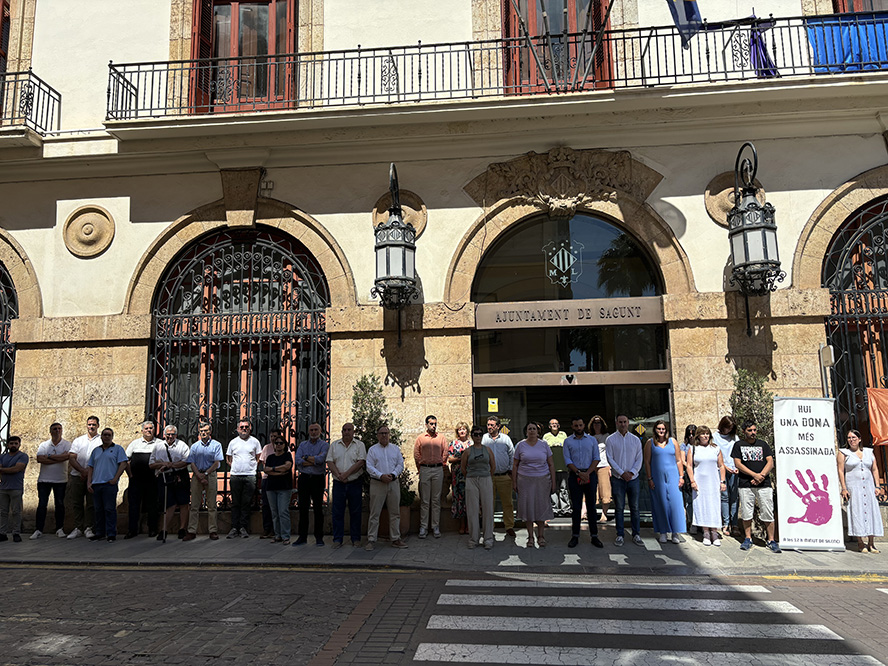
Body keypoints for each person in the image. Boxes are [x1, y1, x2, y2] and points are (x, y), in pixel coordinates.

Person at [732, 419, 780, 553]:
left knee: (767, 511)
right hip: (745, 484)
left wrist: (761, 476)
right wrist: (754, 475)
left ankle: (771, 540)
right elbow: (738, 464)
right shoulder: (738, 445)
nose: (753, 433)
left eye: (754, 430)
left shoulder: (763, 444)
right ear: (744, 432)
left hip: (764, 484)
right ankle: (748, 538)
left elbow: (770, 462)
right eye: (750, 430)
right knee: (746, 512)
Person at [838, 429, 885, 553]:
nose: (851, 440)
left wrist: (878, 486)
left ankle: (871, 543)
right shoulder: (844, 453)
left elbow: (874, 469)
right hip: (854, 487)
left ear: (859, 439)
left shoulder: (869, 452)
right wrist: (844, 488)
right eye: (849, 438)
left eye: (854, 437)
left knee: (871, 512)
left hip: (868, 487)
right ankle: (860, 542)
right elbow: (841, 471)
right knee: (856, 512)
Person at [512, 422, 555, 548]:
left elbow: (551, 464)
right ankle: (530, 537)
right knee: (528, 509)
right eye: (529, 429)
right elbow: (515, 465)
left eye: (534, 429)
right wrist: (514, 482)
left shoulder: (544, 445)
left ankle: (541, 536)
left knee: (541, 508)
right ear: (526, 432)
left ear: (538, 431)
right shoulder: (520, 445)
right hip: (525, 481)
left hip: (542, 480)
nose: (532, 431)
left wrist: (553, 482)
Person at [365, 423, 408, 550]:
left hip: (393, 483)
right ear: (378, 436)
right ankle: (371, 540)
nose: (384, 435)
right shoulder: (372, 450)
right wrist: (380, 476)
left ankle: (395, 538)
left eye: (386, 433)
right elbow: (369, 466)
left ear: (389, 435)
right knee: (375, 513)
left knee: (395, 512)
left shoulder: (395, 449)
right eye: (381, 433)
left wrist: (393, 475)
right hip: (377, 484)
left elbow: (400, 464)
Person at [644, 420, 685, 544]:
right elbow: (647, 462)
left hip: (673, 476)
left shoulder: (673, 442)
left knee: (675, 504)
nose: (661, 431)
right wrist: (650, 478)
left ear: (666, 430)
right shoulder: (650, 443)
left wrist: (681, 476)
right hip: (657, 477)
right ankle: (663, 531)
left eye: (663, 429)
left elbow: (678, 460)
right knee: (660, 504)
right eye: (659, 428)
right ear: (655, 430)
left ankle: (675, 532)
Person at [564, 417, 603, 548]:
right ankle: (575, 536)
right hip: (575, 475)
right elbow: (567, 460)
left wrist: (587, 473)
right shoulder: (568, 441)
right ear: (572, 426)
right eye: (576, 426)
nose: (579, 428)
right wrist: (579, 473)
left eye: (580, 425)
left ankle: (594, 536)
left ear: (584, 425)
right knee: (576, 508)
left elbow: (596, 458)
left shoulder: (592, 440)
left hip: (590, 474)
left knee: (591, 507)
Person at [607, 414, 643, 547]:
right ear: (616, 423)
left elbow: (639, 458)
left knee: (635, 507)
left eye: (625, 422)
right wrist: (622, 473)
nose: (623, 424)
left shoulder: (635, 440)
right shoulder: (610, 440)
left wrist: (632, 472)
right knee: (619, 508)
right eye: (620, 422)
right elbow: (610, 458)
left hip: (633, 478)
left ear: (628, 423)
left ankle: (636, 534)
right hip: (618, 479)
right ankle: (620, 535)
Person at [149, 425, 191, 541]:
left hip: (180, 475)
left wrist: (171, 465)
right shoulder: (158, 447)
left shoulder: (182, 445)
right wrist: (163, 464)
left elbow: (186, 461)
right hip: (164, 476)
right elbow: (151, 464)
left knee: (183, 503)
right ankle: (164, 529)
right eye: (168, 434)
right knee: (169, 503)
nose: (170, 436)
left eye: (172, 434)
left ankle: (182, 529)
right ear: (164, 435)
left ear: (176, 435)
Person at [328, 422, 366, 548]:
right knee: (337, 512)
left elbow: (360, 462)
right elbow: (330, 461)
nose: (346, 432)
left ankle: (356, 539)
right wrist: (339, 475)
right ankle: (337, 539)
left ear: (353, 432)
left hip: (355, 483)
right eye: (344, 430)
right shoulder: (334, 445)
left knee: (355, 511)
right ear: (341, 432)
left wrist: (346, 474)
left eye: (349, 430)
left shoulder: (359, 445)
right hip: (338, 483)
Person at [86, 428, 128, 542]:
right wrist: (89, 482)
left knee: (109, 509)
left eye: (109, 435)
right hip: (96, 484)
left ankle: (111, 533)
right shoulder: (96, 450)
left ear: (112, 436)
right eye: (105, 435)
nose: (107, 437)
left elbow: (123, 464)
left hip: (109, 484)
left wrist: (115, 479)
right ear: (101, 436)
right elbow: (91, 467)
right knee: (98, 510)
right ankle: (99, 533)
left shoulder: (118, 449)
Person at [686, 425, 726, 546]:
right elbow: (689, 466)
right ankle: (706, 533)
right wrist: (692, 481)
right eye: (703, 434)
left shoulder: (715, 448)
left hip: (713, 481)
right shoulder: (693, 449)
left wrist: (722, 481)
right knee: (702, 506)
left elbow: (721, 465)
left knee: (714, 506)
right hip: (700, 482)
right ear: (698, 436)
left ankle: (714, 532)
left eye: (707, 434)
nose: (705, 436)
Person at [184, 422, 224, 541]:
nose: (203, 433)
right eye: (201, 431)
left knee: (212, 505)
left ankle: (213, 530)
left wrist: (205, 474)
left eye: (206, 431)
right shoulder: (194, 446)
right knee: (194, 505)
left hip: (210, 475)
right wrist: (199, 475)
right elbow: (192, 462)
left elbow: (217, 463)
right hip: (197, 475)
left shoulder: (216, 445)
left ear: (210, 431)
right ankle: (192, 531)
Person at [31, 422, 70, 539]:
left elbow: (67, 456)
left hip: (60, 480)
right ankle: (38, 529)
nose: (57, 431)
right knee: (42, 504)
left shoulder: (67, 444)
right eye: (55, 429)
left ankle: (59, 529)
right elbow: (40, 459)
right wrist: (59, 458)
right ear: (50, 431)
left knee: (60, 504)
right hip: (44, 480)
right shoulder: (44, 445)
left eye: (59, 429)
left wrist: (48, 456)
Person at [65, 415, 102, 540]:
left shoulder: (101, 441)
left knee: (91, 503)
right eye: (89, 424)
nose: (91, 427)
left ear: (98, 426)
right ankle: (78, 528)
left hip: (94, 477)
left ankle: (89, 527)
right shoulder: (78, 440)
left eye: (94, 424)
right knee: (77, 502)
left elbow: (101, 460)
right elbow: (72, 457)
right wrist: (82, 471)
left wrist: (89, 473)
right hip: (77, 476)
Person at [293, 423, 329, 546]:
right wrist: (313, 460)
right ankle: (302, 537)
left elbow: (321, 460)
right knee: (303, 508)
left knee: (318, 508)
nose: (313, 432)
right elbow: (298, 460)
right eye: (311, 430)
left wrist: (306, 458)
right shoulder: (303, 445)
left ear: (320, 431)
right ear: (308, 431)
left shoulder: (324, 445)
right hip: (304, 478)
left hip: (317, 479)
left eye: (316, 430)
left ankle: (319, 537)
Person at [226, 418, 261, 539]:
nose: (244, 429)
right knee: (235, 502)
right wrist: (235, 467)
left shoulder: (255, 442)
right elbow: (228, 458)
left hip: (250, 475)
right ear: (237, 429)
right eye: (242, 427)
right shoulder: (233, 442)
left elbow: (258, 457)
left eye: (246, 427)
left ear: (250, 428)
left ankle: (243, 528)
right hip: (235, 475)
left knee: (246, 503)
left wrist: (252, 467)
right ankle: (234, 527)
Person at [461, 425, 495, 549]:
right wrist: (471, 477)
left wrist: (486, 476)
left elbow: (493, 466)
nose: (478, 437)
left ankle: (488, 539)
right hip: (471, 480)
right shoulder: (468, 451)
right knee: (472, 510)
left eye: (480, 434)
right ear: (472, 436)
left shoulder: (487, 450)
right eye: (476, 434)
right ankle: (473, 539)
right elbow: (463, 468)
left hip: (485, 478)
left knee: (488, 509)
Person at [414, 415, 448, 539]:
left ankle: (435, 526)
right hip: (425, 469)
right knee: (425, 500)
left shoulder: (441, 438)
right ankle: (423, 527)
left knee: (436, 500)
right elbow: (416, 454)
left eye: (435, 424)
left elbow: (445, 452)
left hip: (438, 469)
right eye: (431, 424)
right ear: (426, 424)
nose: (433, 426)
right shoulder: (420, 438)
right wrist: (421, 468)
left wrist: (441, 464)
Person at [125, 420, 160, 539]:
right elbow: (126, 460)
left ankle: (153, 529)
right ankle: (132, 530)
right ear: (142, 431)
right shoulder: (134, 444)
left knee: (152, 505)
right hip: (136, 479)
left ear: (154, 430)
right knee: (134, 505)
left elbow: (164, 460)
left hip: (152, 479)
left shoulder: (159, 444)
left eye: (151, 428)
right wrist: (130, 475)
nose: (148, 430)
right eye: (146, 428)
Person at [482, 416, 515, 537]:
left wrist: (511, 469)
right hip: (488, 476)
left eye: (492, 425)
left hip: (504, 476)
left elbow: (512, 455)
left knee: (507, 503)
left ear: (498, 426)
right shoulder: (484, 439)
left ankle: (509, 526)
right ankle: (490, 527)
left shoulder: (505, 439)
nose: (489, 427)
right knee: (488, 503)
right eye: (488, 425)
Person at [264, 430, 294, 544]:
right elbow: (266, 470)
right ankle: (277, 535)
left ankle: (286, 536)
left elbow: (287, 467)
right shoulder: (270, 457)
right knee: (274, 513)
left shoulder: (287, 455)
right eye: (276, 443)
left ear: (285, 445)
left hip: (284, 488)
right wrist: (278, 471)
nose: (279, 445)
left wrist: (273, 470)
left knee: (283, 511)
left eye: (281, 443)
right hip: (271, 487)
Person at [713, 415, 740, 537]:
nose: (728, 430)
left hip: (734, 469)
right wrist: (724, 466)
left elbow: (738, 453)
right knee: (724, 497)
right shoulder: (715, 437)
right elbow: (715, 455)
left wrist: (737, 466)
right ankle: (726, 523)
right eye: (727, 427)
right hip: (721, 469)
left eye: (731, 428)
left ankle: (735, 524)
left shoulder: (735, 437)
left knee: (734, 497)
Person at [0, 436, 28, 542]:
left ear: (19, 445)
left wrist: (3, 470)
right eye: (11, 443)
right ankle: (2, 533)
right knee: (3, 512)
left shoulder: (23, 456)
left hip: (16, 487)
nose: (14, 445)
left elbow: (17, 468)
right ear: (8, 445)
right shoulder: (2, 456)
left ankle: (16, 532)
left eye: (16, 443)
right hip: (3, 488)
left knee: (16, 511)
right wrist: (8, 469)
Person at [448, 422, 471, 534]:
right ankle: (462, 524)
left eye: (464, 429)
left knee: (469, 499)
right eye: (460, 429)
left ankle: (469, 524)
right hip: (457, 476)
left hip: (469, 475)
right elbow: (449, 459)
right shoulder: (454, 443)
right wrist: (460, 459)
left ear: (467, 431)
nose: (462, 431)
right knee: (460, 499)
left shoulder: (472, 443)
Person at [543, 419, 569, 516]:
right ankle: (554, 509)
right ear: (549, 426)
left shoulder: (563, 434)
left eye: (556, 424)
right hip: (551, 468)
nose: (554, 425)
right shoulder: (546, 436)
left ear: (559, 425)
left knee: (564, 489)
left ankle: (565, 509)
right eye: (552, 424)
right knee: (553, 489)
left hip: (563, 466)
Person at [589, 415, 611, 523]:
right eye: (595, 423)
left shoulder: (607, 437)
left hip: (604, 464)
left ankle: (604, 514)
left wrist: (610, 466)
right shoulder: (589, 437)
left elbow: (611, 452)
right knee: (590, 490)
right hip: (591, 466)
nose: (597, 425)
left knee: (605, 490)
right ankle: (588, 513)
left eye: (599, 422)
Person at [679, 424, 696, 533]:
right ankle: (690, 520)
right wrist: (690, 467)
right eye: (689, 434)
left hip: (699, 473)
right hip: (688, 475)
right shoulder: (684, 446)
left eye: (693, 434)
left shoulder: (700, 446)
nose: (691, 436)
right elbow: (682, 460)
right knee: (689, 500)